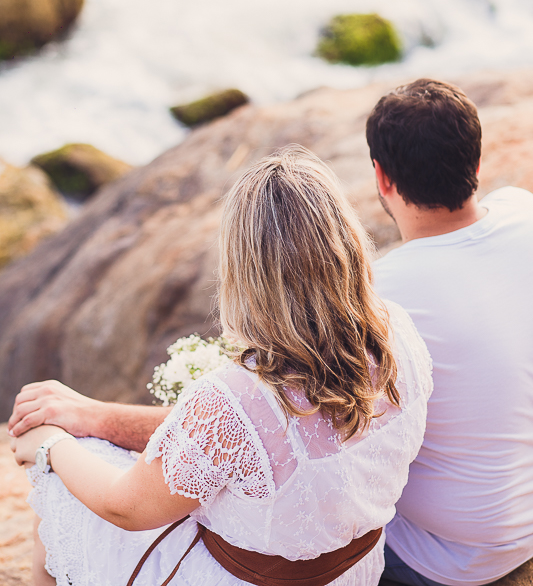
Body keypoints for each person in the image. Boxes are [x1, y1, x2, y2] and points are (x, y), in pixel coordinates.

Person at [10, 145, 432, 586]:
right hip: (352, 572)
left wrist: (50, 447)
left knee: (58, 493)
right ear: (344, 242)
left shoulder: (238, 396)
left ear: (244, 269)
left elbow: (127, 508)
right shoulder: (396, 332)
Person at [365, 78, 533, 586]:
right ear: (476, 165)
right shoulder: (524, 214)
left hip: (442, 559)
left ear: (382, 178)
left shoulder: (378, 294)